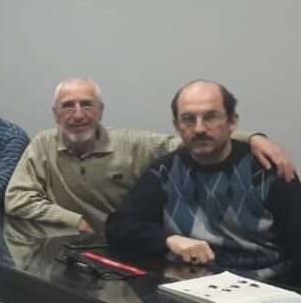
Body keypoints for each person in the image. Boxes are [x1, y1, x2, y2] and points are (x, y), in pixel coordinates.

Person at [4, 77, 294, 233]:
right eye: (68, 106)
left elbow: (191, 140)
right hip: (68, 245)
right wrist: (74, 220)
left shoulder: (132, 144)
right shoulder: (43, 144)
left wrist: (252, 138)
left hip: (121, 250)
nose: (78, 114)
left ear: (101, 111)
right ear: (55, 114)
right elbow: (16, 197)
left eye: (87, 104)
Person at [106, 81, 301, 277]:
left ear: (232, 122)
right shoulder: (165, 170)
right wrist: (168, 240)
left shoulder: (268, 172)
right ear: (177, 126)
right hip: (189, 283)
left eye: (210, 117)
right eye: (188, 119)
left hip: (263, 285)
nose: (199, 128)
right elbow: (119, 226)